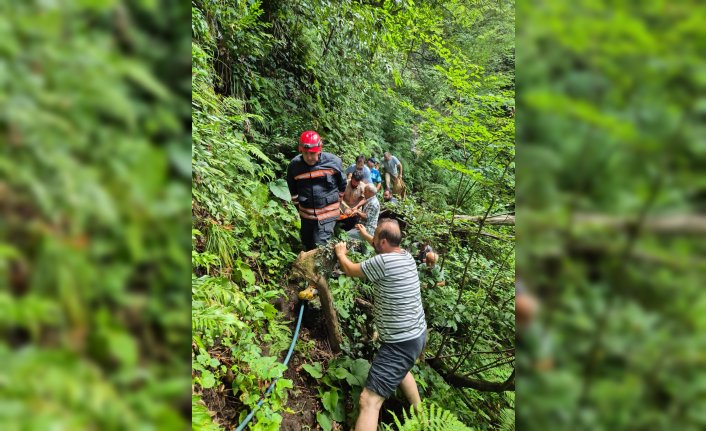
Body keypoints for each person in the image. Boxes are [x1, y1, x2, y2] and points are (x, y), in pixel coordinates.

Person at [334, 219, 427, 431]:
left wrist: (341, 253)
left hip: (400, 343)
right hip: (417, 334)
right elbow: (378, 245)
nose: (373, 240)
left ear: (383, 242)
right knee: (403, 369)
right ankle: (423, 419)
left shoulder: (382, 263)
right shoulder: (406, 256)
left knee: (369, 401)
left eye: (375, 238)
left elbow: (350, 269)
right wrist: (367, 235)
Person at [286, 130, 347, 251]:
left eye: (312, 153)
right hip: (306, 215)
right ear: (300, 150)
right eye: (306, 153)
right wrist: (300, 208)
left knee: (320, 246)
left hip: (328, 214)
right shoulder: (294, 166)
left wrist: (337, 203)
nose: (309, 157)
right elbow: (293, 191)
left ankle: (322, 268)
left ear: (320, 150)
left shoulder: (333, 162)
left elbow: (342, 185)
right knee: (307, 243)